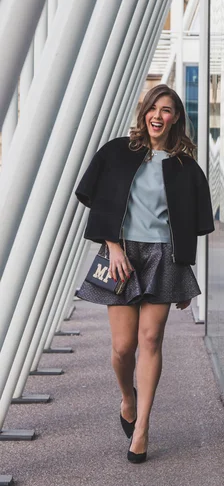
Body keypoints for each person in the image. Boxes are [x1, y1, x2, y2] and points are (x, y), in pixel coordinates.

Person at [75, 84, 214, 463]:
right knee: (123, 347)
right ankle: (127, 397)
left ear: (176, 119)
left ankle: (143, 428)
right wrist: (113, 246)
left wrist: (184, 273)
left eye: (167, 110)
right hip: (121, 254)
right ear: (145, 112)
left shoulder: (187, 168)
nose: (159, 115)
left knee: (151, 340)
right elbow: (97, 200)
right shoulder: (118, 152)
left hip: (165, 258)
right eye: (154, 107)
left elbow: (191, 223)